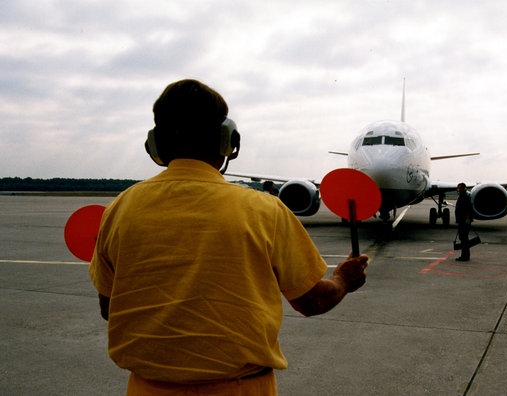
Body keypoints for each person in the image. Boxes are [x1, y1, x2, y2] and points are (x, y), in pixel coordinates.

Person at [89, 79, 368, 395]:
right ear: (227, 142)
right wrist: (343, 279)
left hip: (146, 388)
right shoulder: (263, 209)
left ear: (155, 145)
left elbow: (108, 308)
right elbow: (313, 301)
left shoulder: (119, 210)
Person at [454, 182, 473, 261]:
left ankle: (465, 256)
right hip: (461, 221)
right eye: (458, 188)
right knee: (463, 238)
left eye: (460, 188)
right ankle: (465, 255)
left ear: (464, 188)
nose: (458, 189)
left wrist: (468, 219)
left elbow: (469, 208)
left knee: (464, 238)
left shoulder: (465, 197)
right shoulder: (462, 196)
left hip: (464, 221)